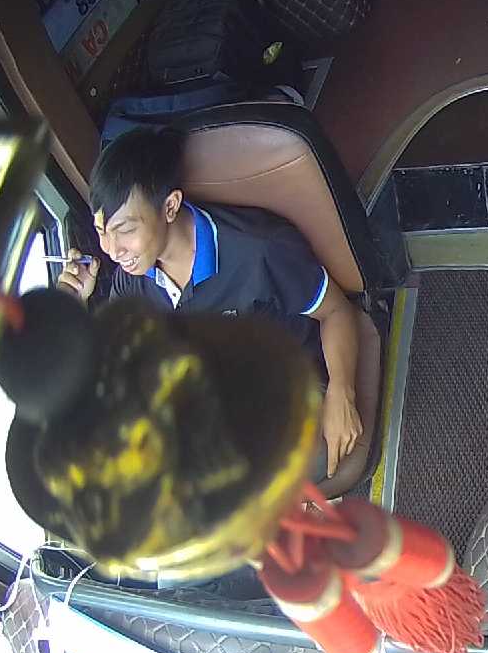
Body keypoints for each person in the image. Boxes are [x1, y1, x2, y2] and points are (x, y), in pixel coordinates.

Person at [57, 127, 363, 481]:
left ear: (169, 206)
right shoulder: (132, 278)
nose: (112, 249)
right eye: (101, 231)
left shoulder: (258, 251)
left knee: (308, 459)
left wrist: (342, 390)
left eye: (125, 229)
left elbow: (335, 311)